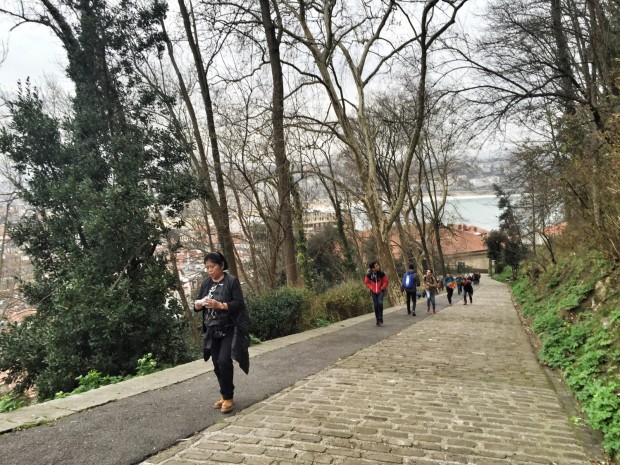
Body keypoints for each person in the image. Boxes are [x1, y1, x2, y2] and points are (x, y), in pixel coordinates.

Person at [194, 252, 250, 414]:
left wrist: (221, 305)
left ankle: (229, 398)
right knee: (216, 363)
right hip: (212, 329)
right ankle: (224, 394)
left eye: (212, 267)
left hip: (230, 327)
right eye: (207, 267)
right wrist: (198, 305)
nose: (209, 270)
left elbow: (239, 304)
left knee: (224, 361)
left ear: (221, 266)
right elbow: (199, 304)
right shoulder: (206, 283)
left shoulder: (231, 281)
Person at [364, 261, 388, 326]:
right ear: (373, 268)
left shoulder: (381, 273)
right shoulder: (369, 274)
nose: (378, 266)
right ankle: (377, 319)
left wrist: (382, 287)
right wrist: (371, 287)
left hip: (381, 291)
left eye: (378, 265)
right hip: (373, 292)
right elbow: (366, 282)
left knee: (380, 302)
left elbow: (386, 281)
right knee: (376, 305)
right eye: (376, 266)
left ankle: (381, 317)